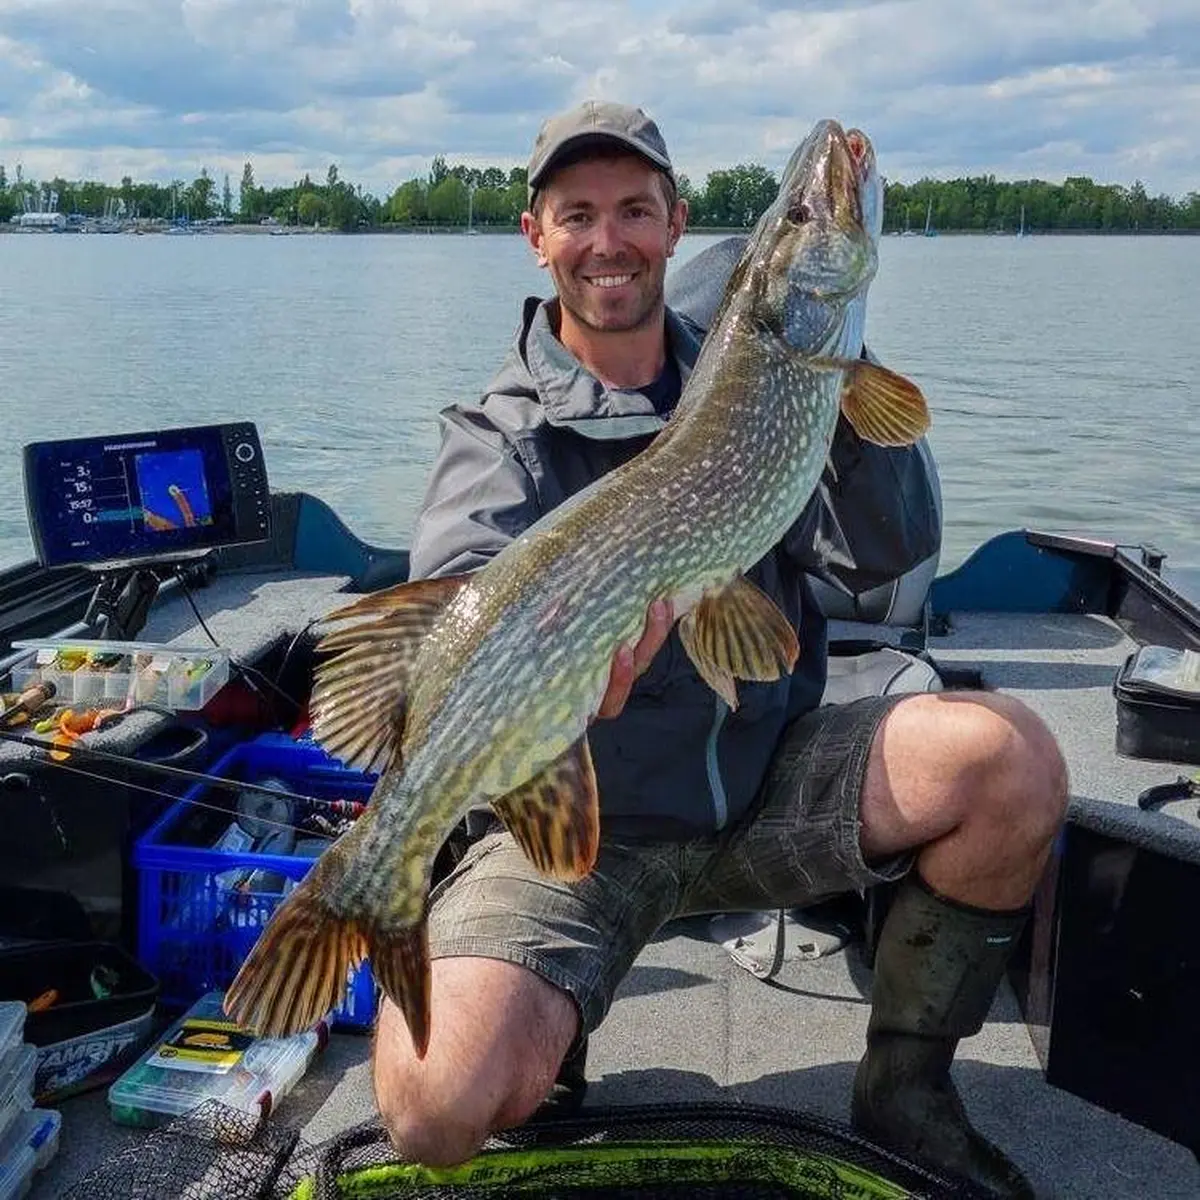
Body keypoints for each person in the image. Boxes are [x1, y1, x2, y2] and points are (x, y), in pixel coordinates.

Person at [371, 100, 1067, 1199]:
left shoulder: (757, 373)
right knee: (432, 1107)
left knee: (1010, 760)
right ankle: (534, 1018)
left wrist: (839, 376)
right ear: (537, 236)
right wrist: (562, 683)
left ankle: (906, 1090)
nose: (609, 241)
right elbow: (462, 605)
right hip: (584, 836)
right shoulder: (497, 440)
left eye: (635, 211)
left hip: (762, 780)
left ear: (676, 224)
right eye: (578, 214)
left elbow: (883, 560)